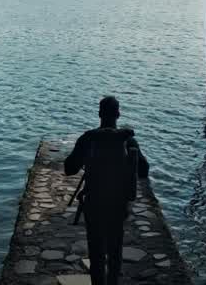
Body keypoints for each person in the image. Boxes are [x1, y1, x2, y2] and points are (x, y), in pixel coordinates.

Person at [64, 96, 149, 285]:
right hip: (118, 204)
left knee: (96, 253)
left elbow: (69, 169)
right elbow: (144, 170)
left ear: (100, 114)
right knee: (115, 250)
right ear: (118, 114)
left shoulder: (88, 138)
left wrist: (85, 158)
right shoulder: (127, 140)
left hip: (94, 203)